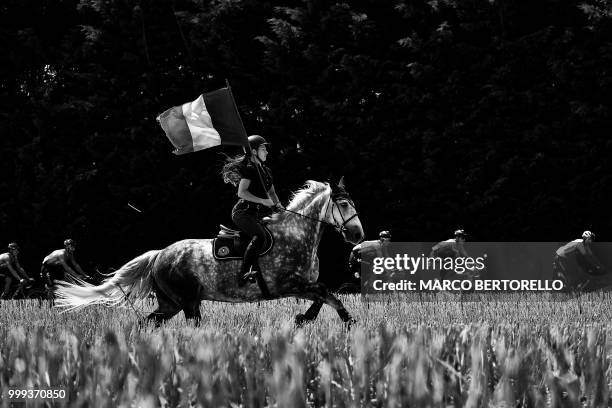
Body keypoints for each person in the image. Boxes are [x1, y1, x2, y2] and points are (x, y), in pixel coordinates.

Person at [221, 135, 284, 285]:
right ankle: (243, 273)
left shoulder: (266, 170)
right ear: (254, 152)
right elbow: (241, 192)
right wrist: (263, 200)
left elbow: (272, 193)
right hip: (242, 213)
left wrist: (279, 205)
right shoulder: (250, 169)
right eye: (263, 149)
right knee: (260, 236)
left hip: (256, 214)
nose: (267, 152)